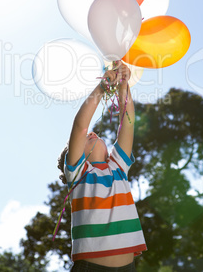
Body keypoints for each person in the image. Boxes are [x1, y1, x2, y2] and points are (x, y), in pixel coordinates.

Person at [57, 61, 147, 271]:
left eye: (91, 135)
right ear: (78, 158)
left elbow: (128, 121)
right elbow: (80, 127)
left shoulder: (117, 167)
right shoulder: (79, 175)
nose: (92, 133)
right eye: (87, 139)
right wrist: (101, 88)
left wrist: (124, 86)